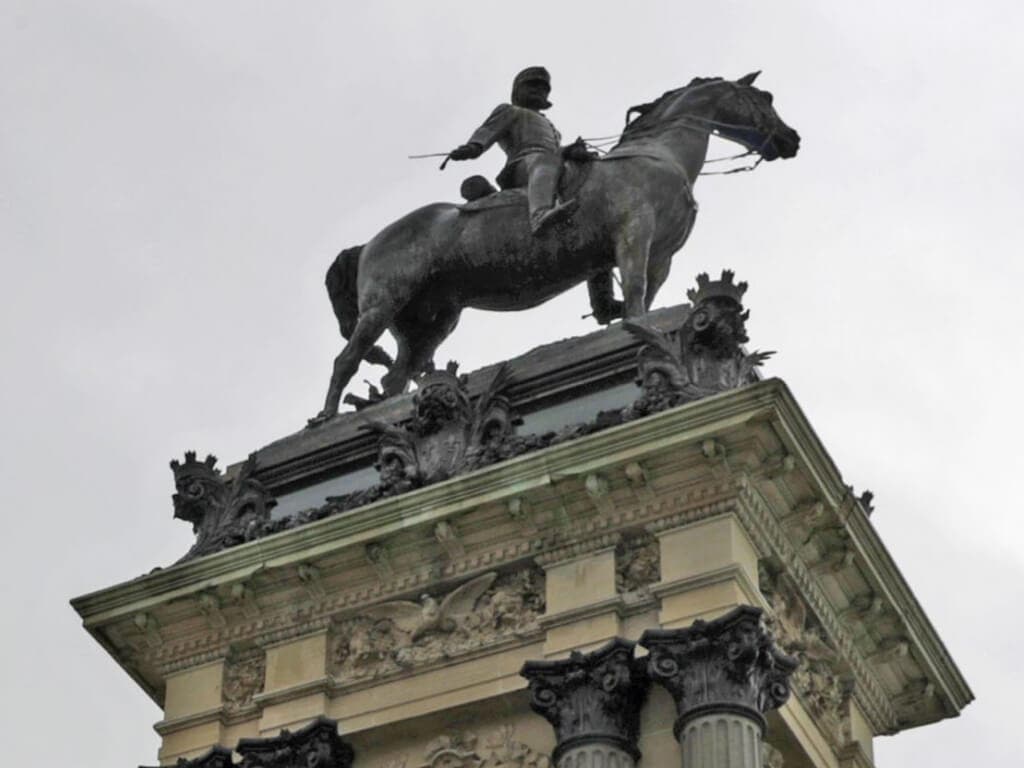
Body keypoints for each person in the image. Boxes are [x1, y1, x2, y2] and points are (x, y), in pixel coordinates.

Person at [449, 66, 577, 234]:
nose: (538, 90)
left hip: (549, 164)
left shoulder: (554, 129)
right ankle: (540, 214)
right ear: (518, 90)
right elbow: (488, 130)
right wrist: (474, 146)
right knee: (546, 160)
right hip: (521, 165)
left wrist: (572, 150)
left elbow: (556, 152)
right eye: (532, 85)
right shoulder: (510, 111)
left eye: (543, 88)